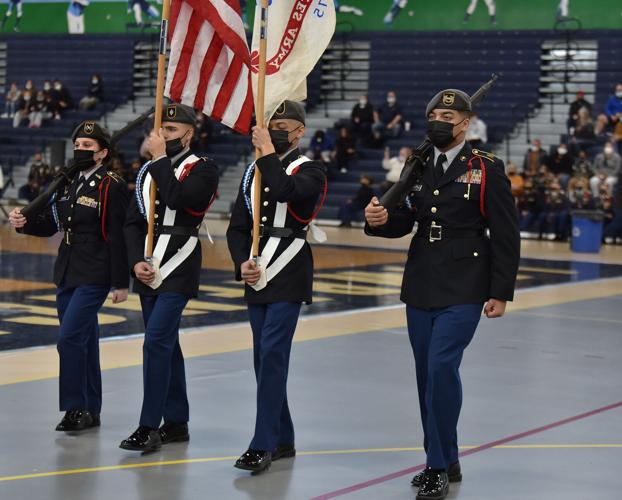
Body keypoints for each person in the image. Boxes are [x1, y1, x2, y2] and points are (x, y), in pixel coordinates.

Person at [364, 89, 520, 500]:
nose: (439, 120)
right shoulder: (418, 164)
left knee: (440, 367)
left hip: (466, 281)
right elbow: (407, 219)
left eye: (448, 115)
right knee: (423, 375)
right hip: (421, 279)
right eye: (434, 113)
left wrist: (501, 291)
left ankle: (434, 466)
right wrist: (380, 219)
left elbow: (505, 234)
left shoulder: (485, 168)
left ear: (465, 123)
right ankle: (446, 457)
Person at [8, 121, 129, 432]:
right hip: (68, 267)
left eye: (88, 146)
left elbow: (117, 235)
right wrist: (23, 224)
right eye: (78, 145)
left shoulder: (111, 184)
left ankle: (75, 407)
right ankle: (92, 408)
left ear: (102, 153)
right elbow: (53, 223)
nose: (81, 150)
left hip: (96, 270)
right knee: (85, 340)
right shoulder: (69, 181)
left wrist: (120, 282)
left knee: (69, 339)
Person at [226, 100, 327, 474]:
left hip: (288, 270)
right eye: (272, 124)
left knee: (272, 353)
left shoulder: (312, 169)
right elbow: (238, 226)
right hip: (257, 270)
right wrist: (241, 263)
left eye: (284, 125)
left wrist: (267, 151)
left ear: (300, 131)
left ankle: (262, 443)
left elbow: (287, 192)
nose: (277, 130)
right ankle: (283, 436)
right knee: (262, 357)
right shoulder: (253, 172)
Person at [120, 104, 219, 452]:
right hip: (148, 265)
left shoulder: (203, 169)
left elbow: (180, 201)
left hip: (178, 264)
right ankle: (176, 421)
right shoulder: (147, 171)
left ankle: (149, 425)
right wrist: (134, 262)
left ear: (189, 134)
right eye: (161, 130)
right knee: (166, 344)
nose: (164, 136)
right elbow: (133, 222)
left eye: (172, 130)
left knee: (155, 342)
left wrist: (159, 159)